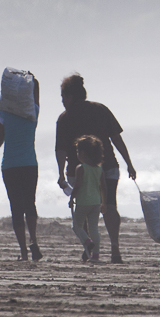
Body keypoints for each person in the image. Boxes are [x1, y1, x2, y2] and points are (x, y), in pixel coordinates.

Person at [54, 73, 136, 263]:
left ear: (70, 96)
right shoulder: (101, 109)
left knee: (83, 209)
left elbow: (60, 149)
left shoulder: (65, 118)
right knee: (110, 206)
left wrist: (60, 173)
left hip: (79, 170)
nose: (62, 102)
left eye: (63, 98)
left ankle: (89, 246)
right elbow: (116, 138)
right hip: (107, 166)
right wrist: (129, 163)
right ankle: (115, 248)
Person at [0, 79, 42, 262]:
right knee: (30, 203)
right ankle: (33, 240)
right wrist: (33, 81)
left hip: (10, 166)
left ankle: (23, 252)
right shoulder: (32, 113)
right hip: (30, 164)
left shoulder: (4, 115)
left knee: (16, 208)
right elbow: (36, 96)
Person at [69, 134, 106, 262]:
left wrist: (71, 198)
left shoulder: (81, 168)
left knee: (77, 226)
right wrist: (104, 203)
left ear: (83, 153)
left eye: (78, 151)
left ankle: (87, 241)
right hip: (96, 202)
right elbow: (103, 187)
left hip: (83, 202)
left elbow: (77, 185)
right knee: (94, 228)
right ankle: (95, 255)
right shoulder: (99, 169)